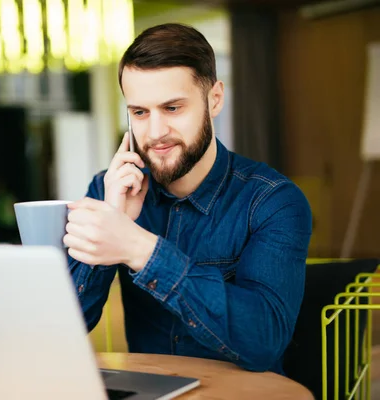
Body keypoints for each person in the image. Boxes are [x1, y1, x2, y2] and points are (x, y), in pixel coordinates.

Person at [64, 23, 312, 374]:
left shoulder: (275, 202)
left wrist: (139, 248)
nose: (155, 132)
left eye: (173, 108)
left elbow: (264, 341)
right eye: (140, 112)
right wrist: (111, 221)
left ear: (214, 99)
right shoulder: (108, 192)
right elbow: (65, 326)